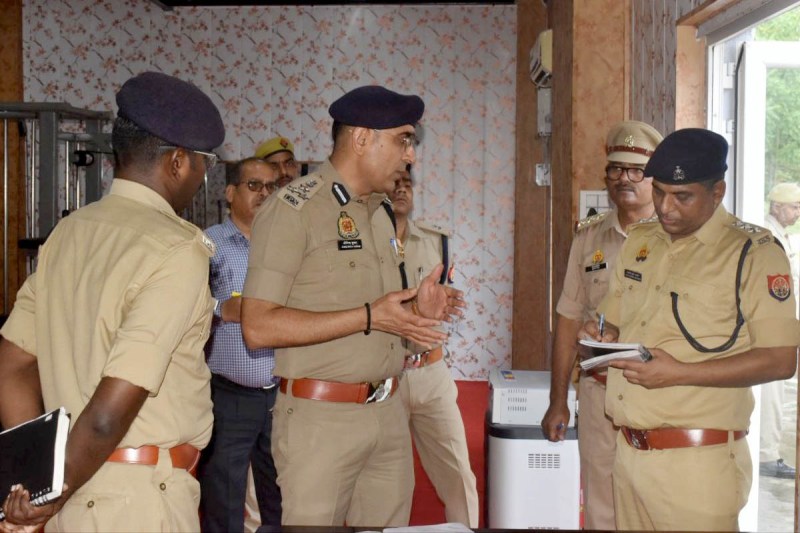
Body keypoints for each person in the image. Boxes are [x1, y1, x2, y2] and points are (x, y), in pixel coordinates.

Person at [0, 71, 224, 531]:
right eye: (205, 164)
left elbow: (13, 365)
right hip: (139, 502)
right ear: (178, 162)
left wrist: (39, 483)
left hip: (71, 494)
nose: (204, 177)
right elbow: (107, 415)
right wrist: (53, 494)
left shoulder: (68, 233)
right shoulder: (177, 251)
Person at [240, 85, 464, 527]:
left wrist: (417, 312)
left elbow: (378, 315)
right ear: (362, 138)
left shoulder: (380, 213)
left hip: (388, 413)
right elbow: (257, 327)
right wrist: (369, 316)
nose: (410, 156)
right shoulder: (294, 209)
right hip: (320, 423)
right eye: (403, 140)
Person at [584, 128, 800, 531]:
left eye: (682, 196)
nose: (665, 207)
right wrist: (603, 337)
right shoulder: (642, 241)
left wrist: (680, 373)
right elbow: (612, 321)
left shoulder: (752, 253)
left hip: (698, 465)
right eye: (659, 192)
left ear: (717, 192)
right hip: (628, 454)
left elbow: (781, 360)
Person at [542, 120, 662, 530]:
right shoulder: (589, 238)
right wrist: (558, 399)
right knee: (601, 509)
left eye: (636, 170)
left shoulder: (673, 239)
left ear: (654, 177)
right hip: (598, 396)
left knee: (652, 507)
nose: (624, 178)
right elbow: (568, 318)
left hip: (654, 395)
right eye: (616, 169)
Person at [390, 166, 479, 527]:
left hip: (431, 372)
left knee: (458, 475)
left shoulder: (434, 241)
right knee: (391, 484)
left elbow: (445, 300)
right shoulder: (360, 245)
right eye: (394, 184)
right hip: (385, 377)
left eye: (407, 184)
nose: (401, 190)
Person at [198, 157, 282, 531]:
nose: (264, 193)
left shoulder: (284, 243)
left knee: (282, 496)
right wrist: (221, 308)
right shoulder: (208, 244)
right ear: (230, 192)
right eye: (254, 185)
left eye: (270, 186)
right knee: (225, 500)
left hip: (281, 394)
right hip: (229, 396)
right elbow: (185, 305)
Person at [758, 181, 800, 479]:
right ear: (777, 206)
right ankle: (766, 455)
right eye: (794, 207)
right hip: (769, 329)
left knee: (777, 392)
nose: (798, 213)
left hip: (783, 326)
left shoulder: (784, 236)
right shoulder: (766, 235)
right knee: (770, 393)